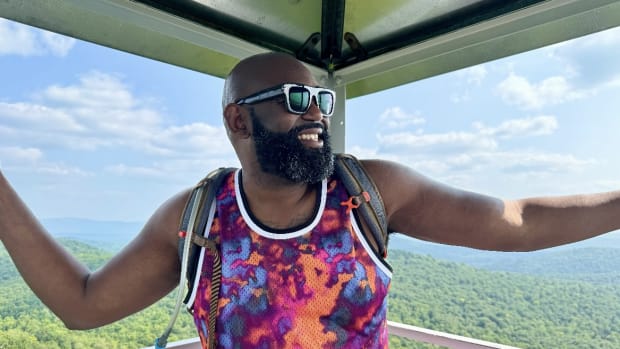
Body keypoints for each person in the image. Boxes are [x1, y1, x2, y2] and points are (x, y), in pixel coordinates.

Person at [1, 52, 619, 348]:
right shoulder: (195, 220)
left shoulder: (371, 193)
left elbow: (518, 221)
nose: (316, 115)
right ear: (238, 122)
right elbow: (82, 306)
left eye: (320, 100)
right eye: (293, 100)